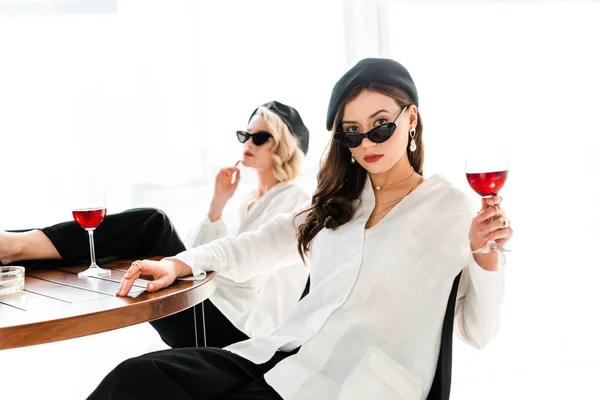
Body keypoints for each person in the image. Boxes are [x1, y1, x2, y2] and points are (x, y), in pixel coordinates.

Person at [90, 57, 513, 400]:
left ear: (411, 118)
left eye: (381, 125)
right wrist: (178, 264)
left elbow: (478, 331)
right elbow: (252, 246)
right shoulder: (339, 203)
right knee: (135, 379)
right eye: (352, 133)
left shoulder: (450, 208)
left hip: (357, 385)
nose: (368, 143)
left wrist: (484, 252)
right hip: (280, 355)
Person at [0, 100, 311, 349]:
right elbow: (196, 252)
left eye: (259, 137)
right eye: (244, 135)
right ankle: (14, 252)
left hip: (235, 330)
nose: (248, 142)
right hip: (207, 303)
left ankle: (14, 244)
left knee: (153, 224)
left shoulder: (295, 197)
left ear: (283, 145)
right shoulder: (243, 199)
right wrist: (217, 204)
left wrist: (193, 260)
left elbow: (246, 272)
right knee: (134, 236)